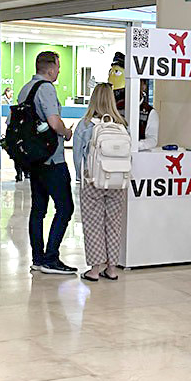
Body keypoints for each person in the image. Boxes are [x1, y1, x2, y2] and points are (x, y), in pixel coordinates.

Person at [19, 51, 77, 275]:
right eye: (58, 66)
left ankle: (37, 257)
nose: (59, 71)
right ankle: (51, 258)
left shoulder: (26, 88)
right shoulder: (46, 88)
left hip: (34, 159)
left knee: (38, 209)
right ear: (50, 68)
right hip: (52, 159)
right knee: (65, 207)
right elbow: (53, 122)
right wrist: (67, 133)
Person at [73, 83, 128, 282]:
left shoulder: (86, 124)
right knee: (114, 224)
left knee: (93, 224)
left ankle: (95, 269)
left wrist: (79, 177)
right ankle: (112, 268)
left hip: (93, 179)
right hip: (117, 182)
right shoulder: (122, 124)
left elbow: (78, 154)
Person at [109, 52, 159, 150]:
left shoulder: (149, 112)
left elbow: (152, 140)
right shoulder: (115, 107)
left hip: (138, 158)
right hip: (114, 156)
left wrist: (134, 145)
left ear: (144, 85)